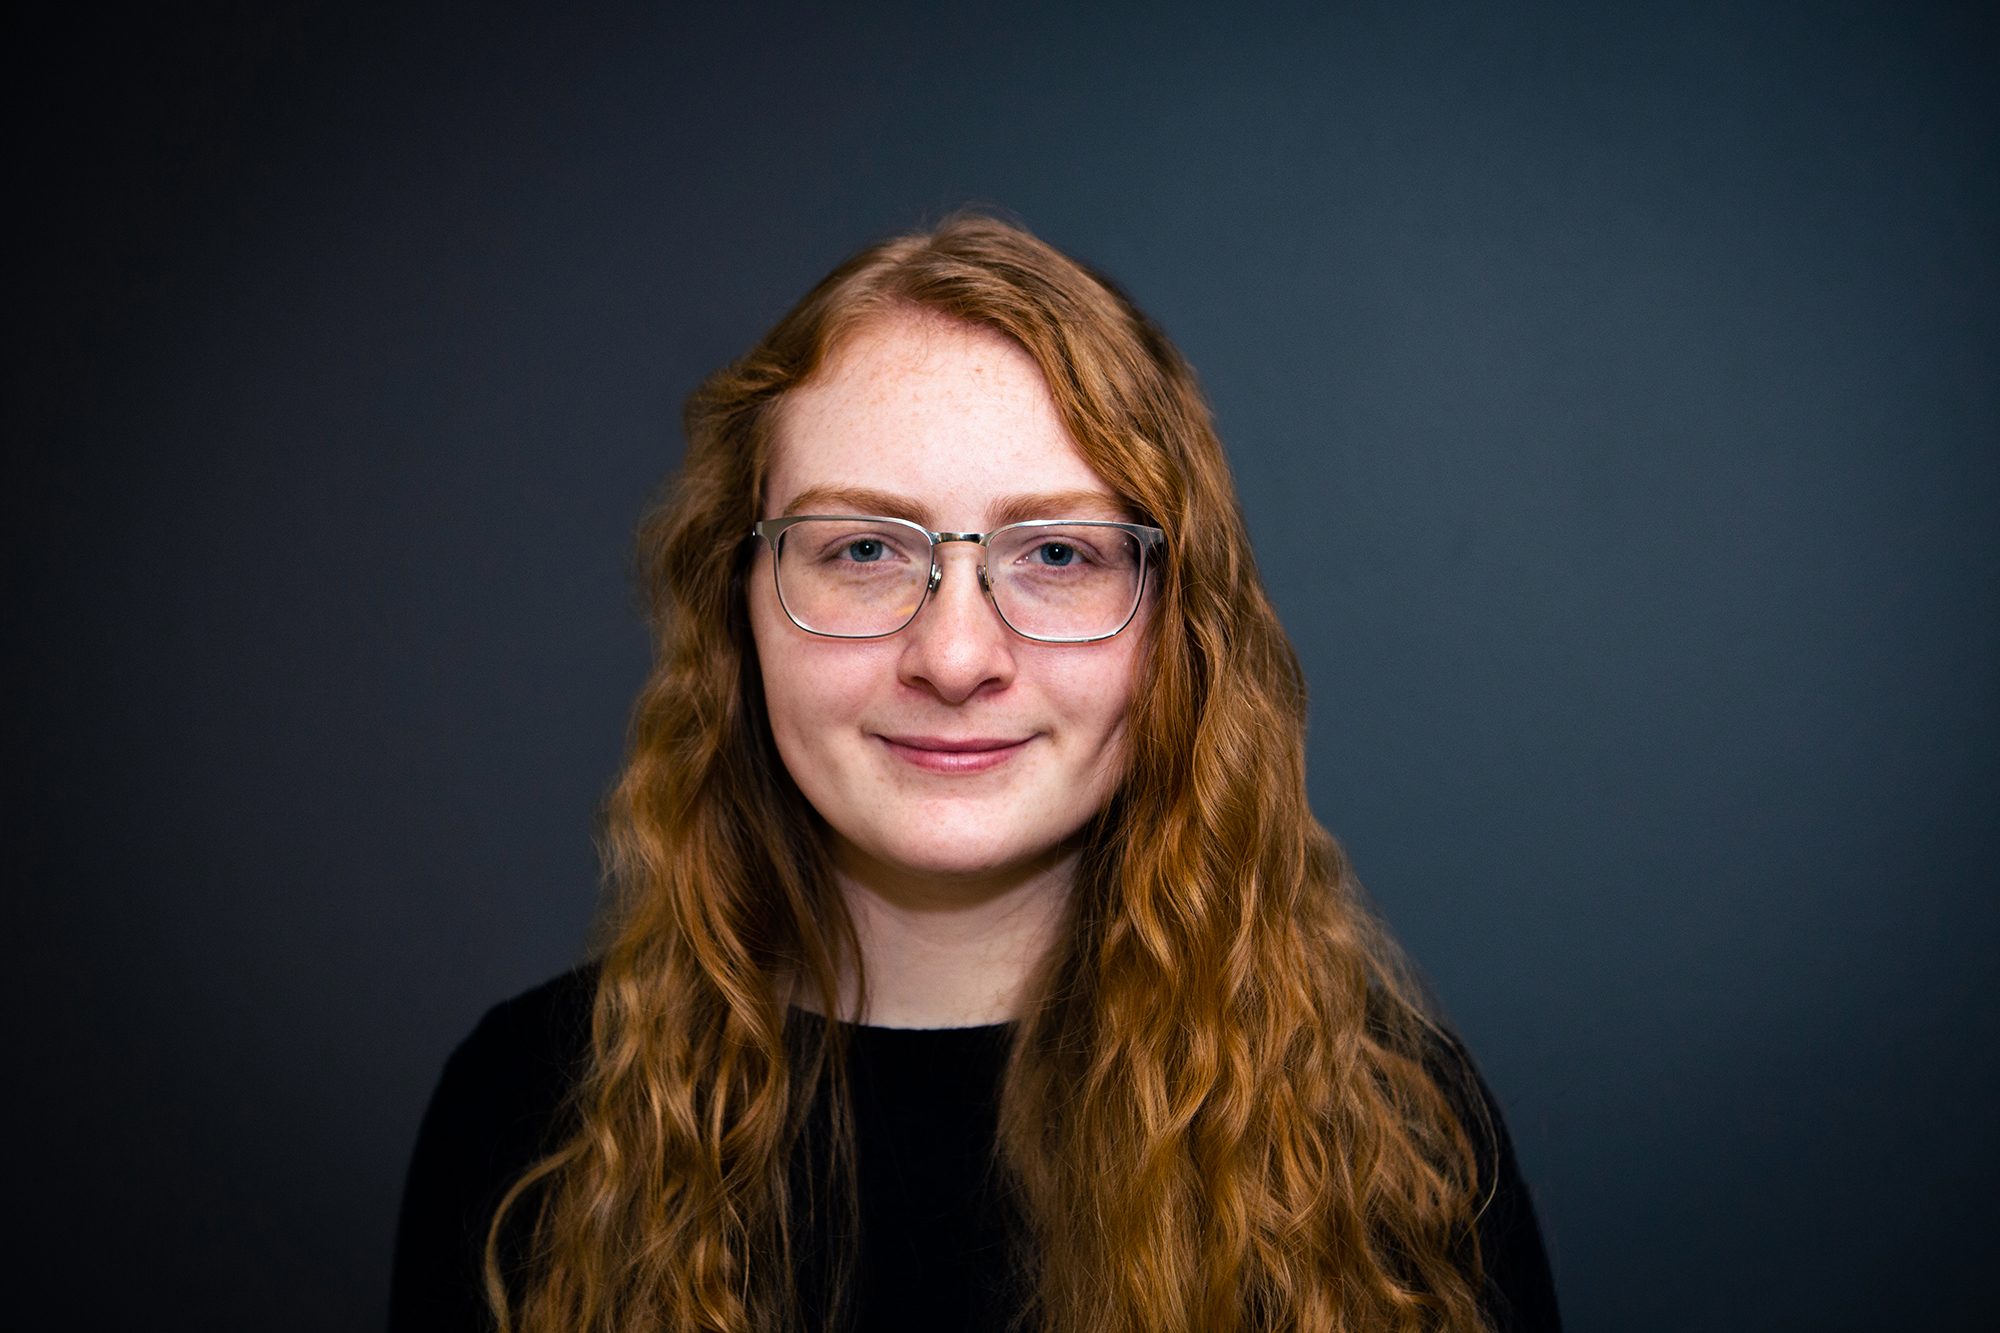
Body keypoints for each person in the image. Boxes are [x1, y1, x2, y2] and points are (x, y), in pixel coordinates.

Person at [389, 213, 1560, 1333]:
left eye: (1055, 553)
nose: (953, 658)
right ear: (736, 609)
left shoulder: (1392, 1143)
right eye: (862, 548)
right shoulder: (523, 1117)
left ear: (1175, 626)